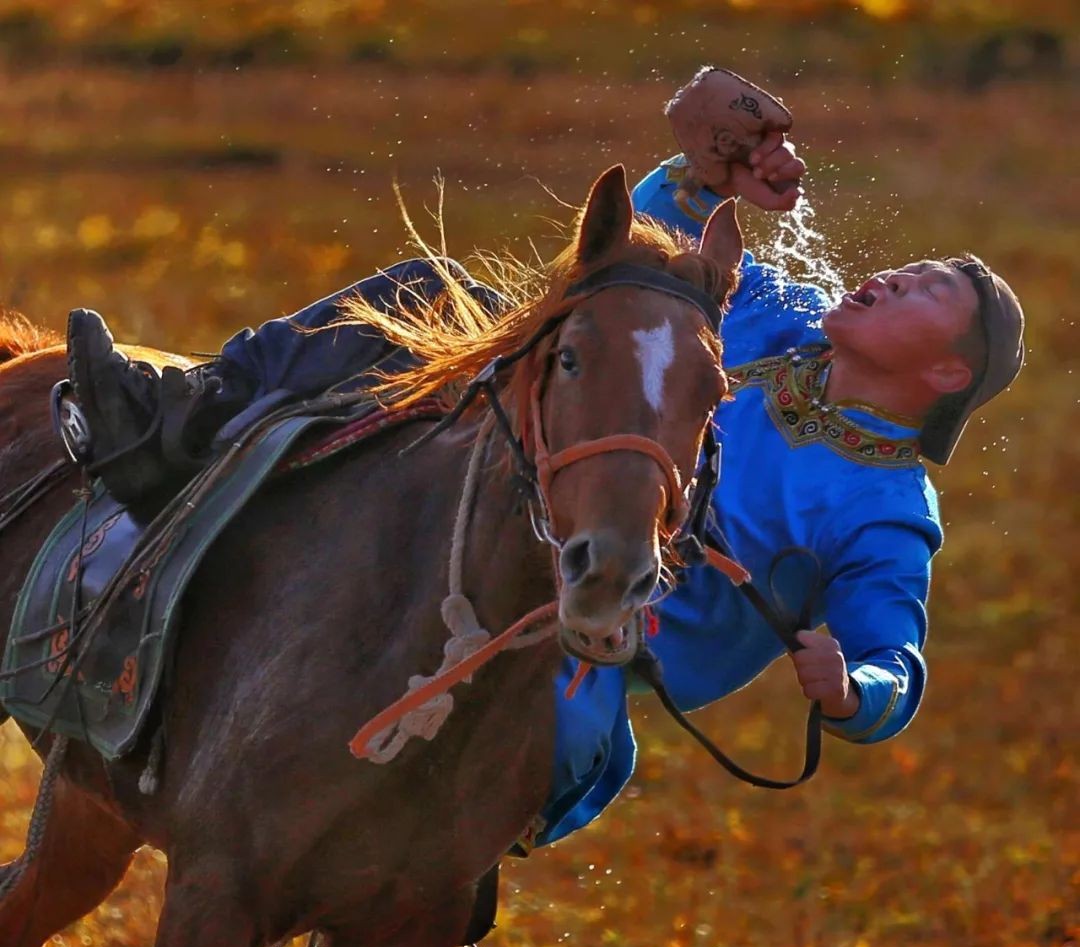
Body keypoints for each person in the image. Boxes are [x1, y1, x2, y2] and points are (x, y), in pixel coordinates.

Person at [59, 70, 1024, 848]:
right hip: (499, 511)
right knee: (433, 289)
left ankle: (429, 873)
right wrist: (720, 170)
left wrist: (857, 691)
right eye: (916, 266)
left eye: (932, 287)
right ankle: (183, 417)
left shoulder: (887, 512)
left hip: (586, 652)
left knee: (547, 742)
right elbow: (653, 232)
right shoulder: (781, 321)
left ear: (946, 370)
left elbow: (893, 654)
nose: (898, 274)